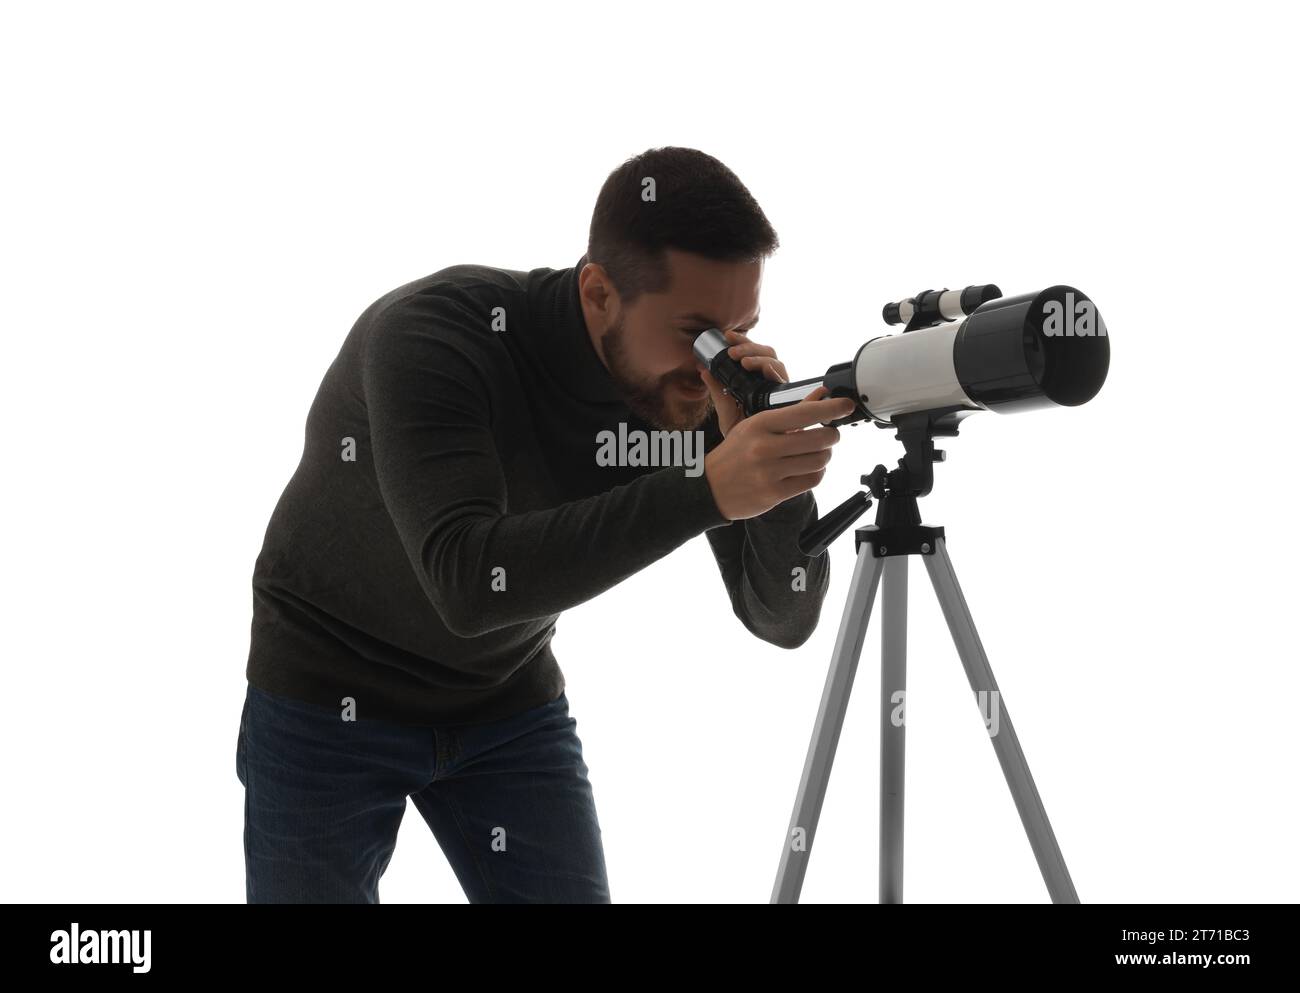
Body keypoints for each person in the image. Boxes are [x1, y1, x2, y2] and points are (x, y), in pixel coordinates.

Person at [236, 145, 856, 903]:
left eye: (737, 330)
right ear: (598, 292)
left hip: (505, 699)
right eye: (694, 331)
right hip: (327, 693)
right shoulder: (434, 338)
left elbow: (782, 615)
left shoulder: (695, 396)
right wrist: (710, 489)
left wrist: (764, 447)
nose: (712, 366)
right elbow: (468, 583)